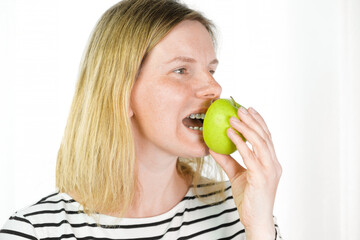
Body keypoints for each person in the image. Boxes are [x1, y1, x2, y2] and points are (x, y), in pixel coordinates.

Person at [0, 0, 282, 239]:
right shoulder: (35, 231)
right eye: (182, 70)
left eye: (211, 70)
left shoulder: (240, 211)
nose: (214, 88)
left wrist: (259, 228)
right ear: (121, 92)